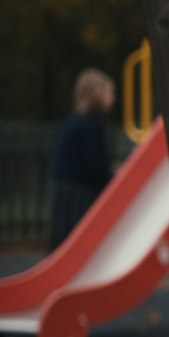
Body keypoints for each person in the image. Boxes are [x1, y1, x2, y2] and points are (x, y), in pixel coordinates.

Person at [49, 68, 116, 250]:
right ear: (95, 95)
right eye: (108, 93)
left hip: (66, 187)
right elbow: (95, 164)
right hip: (78, 192)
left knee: (64, 238)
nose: (112, 99)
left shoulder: (74, 120)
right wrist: (113, 182)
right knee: (79, 239)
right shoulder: (91, 125)